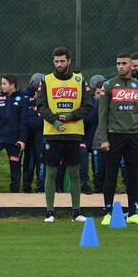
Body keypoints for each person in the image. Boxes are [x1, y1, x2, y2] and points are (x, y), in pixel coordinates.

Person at [37, 46, 92, 223]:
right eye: (56, 61)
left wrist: (70, 117)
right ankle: (50, 212)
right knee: (51, 172)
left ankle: (76, 211)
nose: (59, 64)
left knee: (74, 173)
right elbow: (41, 106)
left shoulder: (80, 80)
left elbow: (87, 106)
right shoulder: (46, 80)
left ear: (69, 61)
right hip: (52, 134)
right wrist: (55, 120)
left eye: (62, 61)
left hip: (74, 133)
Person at [98, 53, 138, 225]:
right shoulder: (108, 85)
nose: (120, 66)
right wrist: (103, 139)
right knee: (110, 175)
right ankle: (108, 212)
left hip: (134, 137)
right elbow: (102, 115)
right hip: (113, 136)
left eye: (124, 63)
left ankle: (133, 212)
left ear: (131, 66)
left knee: (134, 175)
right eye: (118, 63)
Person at [0, 74, 28, 193]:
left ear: (12, 85)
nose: (1, 86)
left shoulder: (23, 99)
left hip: (14, 139)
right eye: (1, 83)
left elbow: (23, 122)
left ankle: (14, 190)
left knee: (15, 165)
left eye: (4, 84)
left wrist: (22, 140)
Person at [22, 73, 44, 193]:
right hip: (29, 137)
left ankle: (40, 188)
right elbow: (32, 121)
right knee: (29, 163)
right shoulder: (26, 97)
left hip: (41, 138)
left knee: (42, 161)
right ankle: (26, 187)